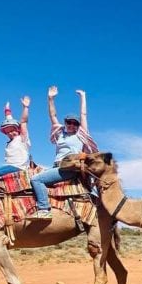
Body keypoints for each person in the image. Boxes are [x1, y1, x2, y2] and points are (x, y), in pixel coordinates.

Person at [30, 85, 98, 219]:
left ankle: (44, 209)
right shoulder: (60, 133)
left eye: (75, 123)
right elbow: (52, 115)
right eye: (69, 122)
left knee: (36, 180)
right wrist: (50, 99)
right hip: (57, 166)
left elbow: (84, 115)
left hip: (69, 167)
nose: (72, 125)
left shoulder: (80, 134)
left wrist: (83, 97)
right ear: (65, 122)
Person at [0, 97, 32, 207]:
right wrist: (7, 111)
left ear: (17, 130)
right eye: (8, 132)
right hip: (10, 165)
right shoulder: (10, 142)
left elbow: (23, 122)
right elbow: (10, 120)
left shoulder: (22, 138)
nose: (10, 133)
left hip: (17, 166)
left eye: (12, 130)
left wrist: (25, 107)